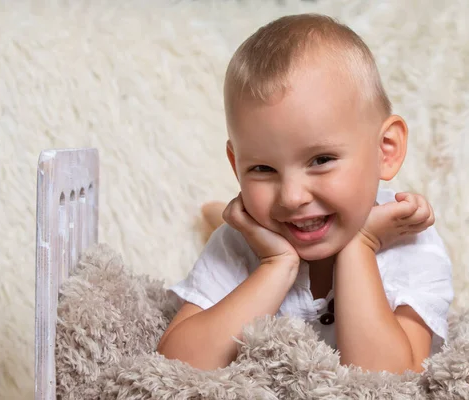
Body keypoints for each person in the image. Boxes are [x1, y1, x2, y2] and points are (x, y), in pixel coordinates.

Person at [157, 13, 453, 374]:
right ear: (236, 166)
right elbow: (174, 365)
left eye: (322, 160)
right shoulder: (240, 244)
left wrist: (361, 244)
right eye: (262, 169)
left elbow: (391, 382)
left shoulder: (411, 243)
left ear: (385, 150)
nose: (292, 197)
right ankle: (214, 213)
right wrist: (275, 265)